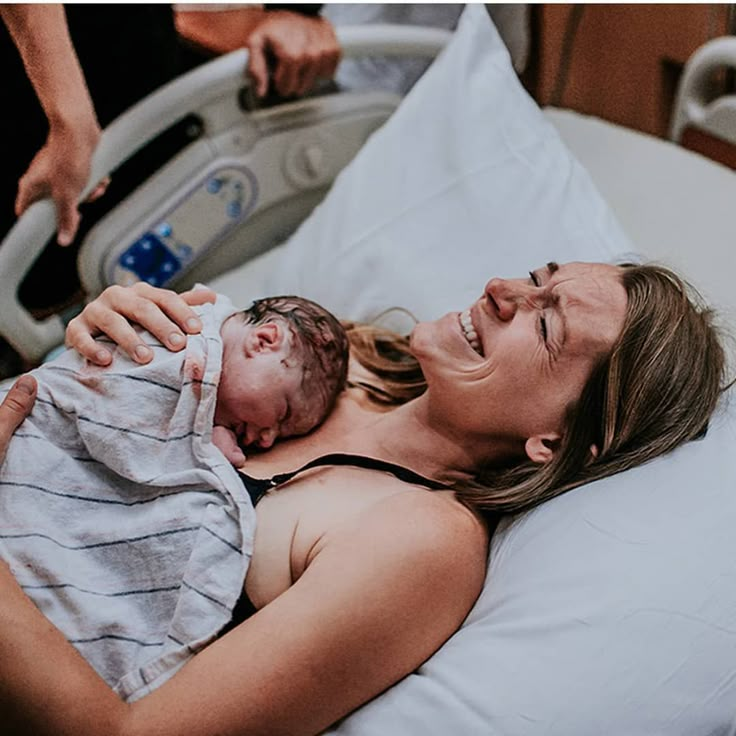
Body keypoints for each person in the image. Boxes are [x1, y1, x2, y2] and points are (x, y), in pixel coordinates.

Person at [0, 260, 728, 735]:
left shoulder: (422, 539)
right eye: (537, 277)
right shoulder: (332, 358)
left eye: (544, 320)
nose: (501, 289)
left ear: (556, 438)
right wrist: (110, 340)